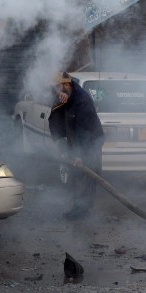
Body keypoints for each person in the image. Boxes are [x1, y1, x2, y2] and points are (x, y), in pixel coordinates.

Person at [48, 71, 104, 220]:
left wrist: (79, 154)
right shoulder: (62, 97)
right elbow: (54, 120)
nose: (55, 91)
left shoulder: (82, 100)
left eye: (57, 87)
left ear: (66, 85)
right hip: (76, 143)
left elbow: (83, 130)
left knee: (87, 176)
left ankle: (83, 210)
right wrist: (60, 145)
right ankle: (78, 207)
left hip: (90, 143)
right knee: (75, 176)